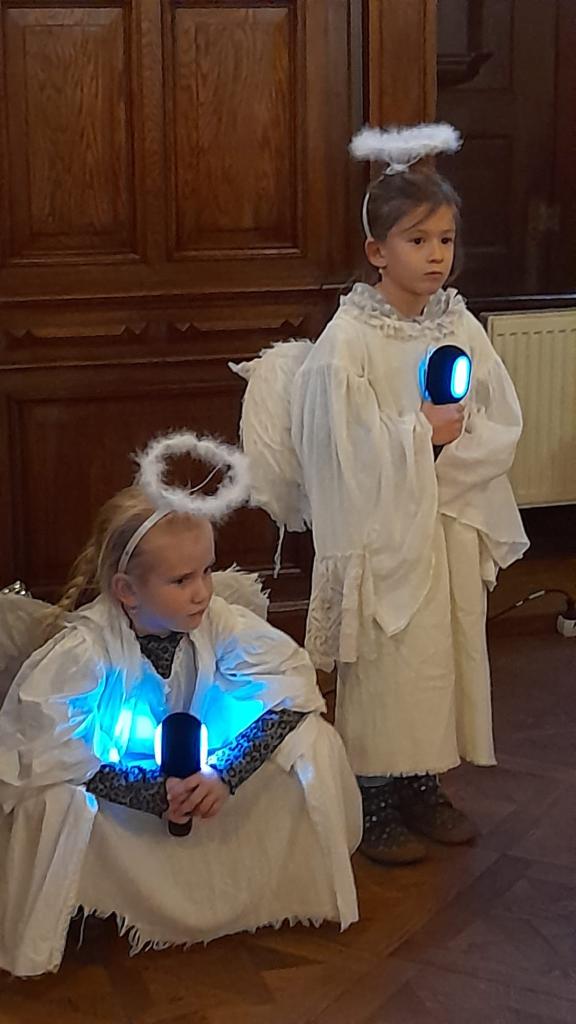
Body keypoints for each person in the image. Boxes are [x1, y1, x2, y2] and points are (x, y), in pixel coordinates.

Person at [233, 124, 529, 866]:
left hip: (442, 520)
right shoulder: (349, 341)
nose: (435, 255)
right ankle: (373, 792)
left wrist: (450, 448)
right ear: (377, 251)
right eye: (417, 240)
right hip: (381, 532)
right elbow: (338, 448)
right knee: (390, 663)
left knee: (436, 660)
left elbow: (499, 417)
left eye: (445, 240)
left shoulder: (457, 323)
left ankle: (422, 781)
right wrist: (418, 436)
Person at [0, 432, 361, 977]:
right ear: (127, 589)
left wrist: (224, 775)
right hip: (125, 793)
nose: (201, 592)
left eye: (207, 572)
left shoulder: (220, 624)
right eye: (181, 579)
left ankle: (258, 890)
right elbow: (46, 753)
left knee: (314, 740)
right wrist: (154, 793)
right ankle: (93, 906)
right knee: (52, 799)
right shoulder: (83, 652)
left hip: (204, 779)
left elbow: (290, 690)